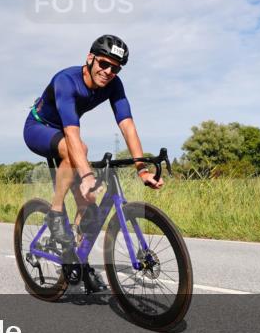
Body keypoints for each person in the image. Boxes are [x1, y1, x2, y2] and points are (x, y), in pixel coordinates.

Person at [23, 35, 162, 291]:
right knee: (79, 151)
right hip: (39, 128)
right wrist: (86, 176)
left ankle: (77, 261)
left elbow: (127, 125)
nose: (108, 72)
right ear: (90, 58)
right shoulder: (66, 80)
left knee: (89, 205)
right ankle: (54, 213)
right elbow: (72, 134)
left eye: (115, 68)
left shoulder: (114, 84)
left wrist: (142, 169)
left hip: (66, 134)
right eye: (104, 64)